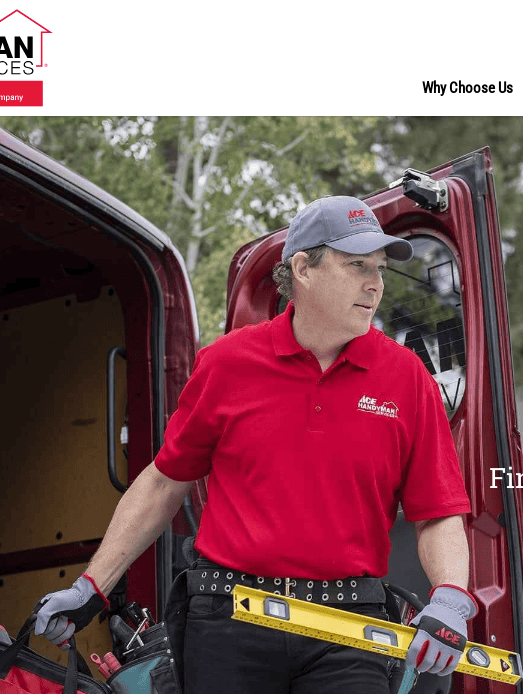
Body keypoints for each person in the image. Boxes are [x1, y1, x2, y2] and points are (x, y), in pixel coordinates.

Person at [32, 196, 478, 692]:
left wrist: (449, 599)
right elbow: (163, 482)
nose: (374, 283)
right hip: (229, 621)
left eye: (378, 268)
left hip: (350, 631)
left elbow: (438, 512)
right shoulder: (226, 364)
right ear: (303, 268)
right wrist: (91, 587)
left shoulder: (406, 378)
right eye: (356, 265)